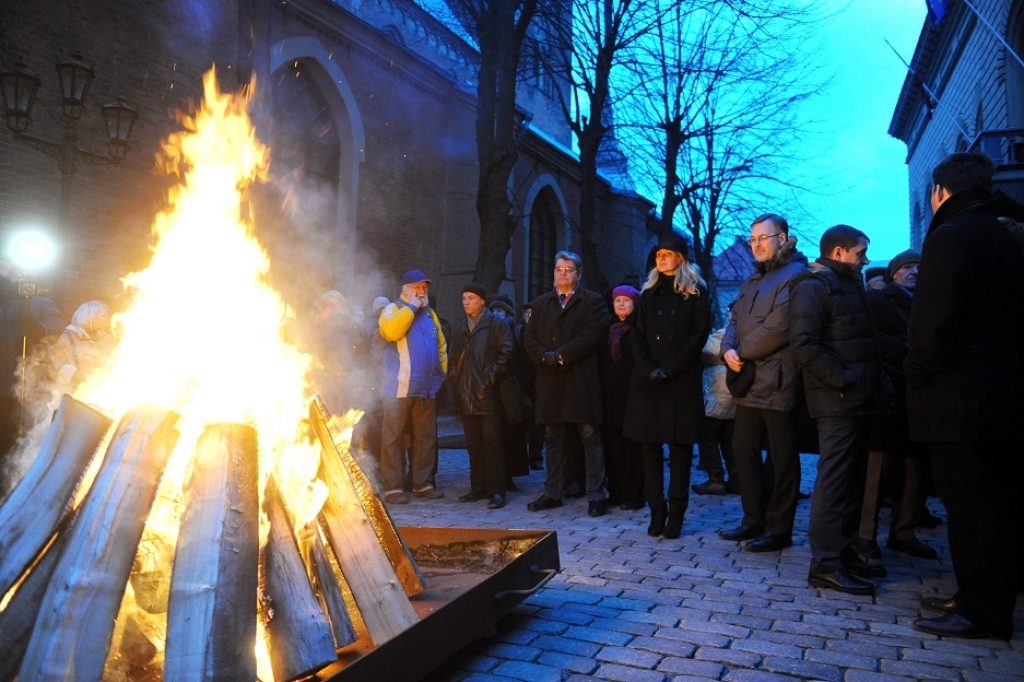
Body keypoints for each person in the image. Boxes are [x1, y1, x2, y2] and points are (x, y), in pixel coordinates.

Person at [906, 152, 1024, 641]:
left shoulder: (952, 237)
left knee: (972, 509)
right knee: (994, 504)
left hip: (960, 400)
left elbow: (933, 326)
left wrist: (918, 372)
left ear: (939, 192)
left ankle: (983, 612)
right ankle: (978, 596)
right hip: (1000, 393)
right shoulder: (1002, 232)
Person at [790, 224, 885, 595]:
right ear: (839, 251)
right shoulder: (814, 286)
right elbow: (804, 346)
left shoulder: (849, 284)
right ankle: (825, 564)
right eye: (860, 252)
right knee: (833, 485)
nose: (866, 259)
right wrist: (845, 379)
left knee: (851, 483)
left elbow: (865, 343)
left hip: (858, 400)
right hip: (836, 401)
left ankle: (844, 555)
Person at [718, 214, 808, 552]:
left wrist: (741, 350)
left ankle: (779, 529)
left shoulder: (796, 275)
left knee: (783, 460)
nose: (756, 244)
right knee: (743, 450)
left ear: (783, 239)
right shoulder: (753, 279)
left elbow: (780, 326)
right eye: (753, 239)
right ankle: (753, 519)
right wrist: (727, 349)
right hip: (749, 381)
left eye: (763, 238)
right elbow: (734, 319)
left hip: (779, 382)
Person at [623, 232, 711, 539]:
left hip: (680, 381)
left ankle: (676, 515)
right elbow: (637, 336)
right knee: (648, 448)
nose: (661, 257)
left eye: (668, 253)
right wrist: (649, 369)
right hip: (648, 382)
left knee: (679, 450)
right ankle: (656, 512)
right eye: (659, 253)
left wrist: (669, 369)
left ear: (682, 258)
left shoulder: (697, 293)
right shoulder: (647, 294)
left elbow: (697, 337)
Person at [858, 250, 936, 561]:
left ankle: (905, 532)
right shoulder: (879, 300)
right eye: (907, 267)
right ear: (894, 273)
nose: (914, 272)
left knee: (915, 469)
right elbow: (872, 341)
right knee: (877, 469)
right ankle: (865, 535)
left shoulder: (933, 301)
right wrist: (910, 348)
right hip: (890, 392)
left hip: (922, 396)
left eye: (919, 266)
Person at [522, 251, 610, 516]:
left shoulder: (592, 302)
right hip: (550, 379)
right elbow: (529, 336)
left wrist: (562, 355)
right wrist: (542, 356)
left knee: (589, 436)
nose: (563, 273)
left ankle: (596, 494)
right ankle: (552, 492)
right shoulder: (540, 304)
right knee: (552, 436)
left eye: (568, 269)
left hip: (580, 379)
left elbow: (592, 335)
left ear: (578, 274)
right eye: (559, 269)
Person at [377, 269, 448, 504]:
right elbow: (390, 332)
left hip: (427, 388)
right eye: (417, 287)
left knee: (426, 438)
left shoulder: (431, 315)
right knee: (393, 439)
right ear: (406, 289)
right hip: (398, 388)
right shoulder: (393, 309)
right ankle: (393, 488)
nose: (422, 290)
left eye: (424, 287)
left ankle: (422, 483)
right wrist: (412, 308)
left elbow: (441, 345)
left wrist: (441, 374)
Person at [448, 283, 514, 509]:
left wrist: (488, 380)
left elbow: (507, 354)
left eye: (471, 298)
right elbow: (454, 357)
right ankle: (478, 487)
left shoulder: (496, 324)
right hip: (465, 394)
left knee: (492, 443)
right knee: (473, 444)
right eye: (464, 298)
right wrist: (456, 380)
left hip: (487, 394)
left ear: (482, 301)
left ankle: (497, 491)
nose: (466, 302)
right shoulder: (459, 327)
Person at [0, 258, 65, 469]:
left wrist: (38, 326)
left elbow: (58, 322)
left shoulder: (34, 301)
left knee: (20, 432)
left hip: (24, 382)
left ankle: (16, 473)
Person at [598, 284, 644, 510]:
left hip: (634, 398)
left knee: (633, 448)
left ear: (635, 303)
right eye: (618, 300)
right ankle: (615, 493)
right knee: (612, 447)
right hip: (611, 399)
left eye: (626, 300)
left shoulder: (640, 329)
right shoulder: (607, 329)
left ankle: (634, 495)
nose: (621, 304)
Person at [691, 326, 737, 495]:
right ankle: (736, 479)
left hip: (718, 396)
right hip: (731, 396)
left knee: (707, 436)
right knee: (728, 439)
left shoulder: (724, 334)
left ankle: (715, 479)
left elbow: (705, 350)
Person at [47, 300, 116, 394]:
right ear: (89, 317)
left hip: (100, 391)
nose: (107, 318)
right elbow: (55, 362)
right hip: (73, 393)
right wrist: (74, 375)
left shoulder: (105, 339)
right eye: (103, 315)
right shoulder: (69, 337)